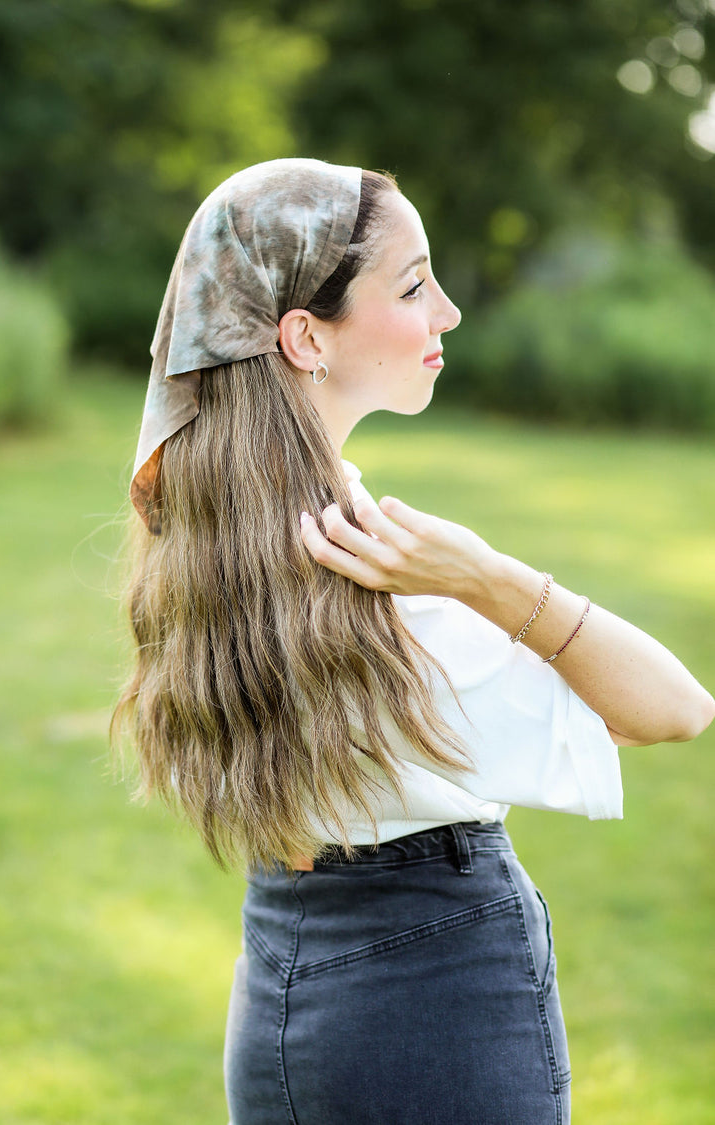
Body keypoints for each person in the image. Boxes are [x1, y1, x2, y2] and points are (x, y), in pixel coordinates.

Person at [114, 158, 714, 1125]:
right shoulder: (382, 588)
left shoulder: (219, 545)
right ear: (305, 336)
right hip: (433, 997)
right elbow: (673, 709)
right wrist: (487, 573)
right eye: (412, 283)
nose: (447, 312)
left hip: (282, 976)